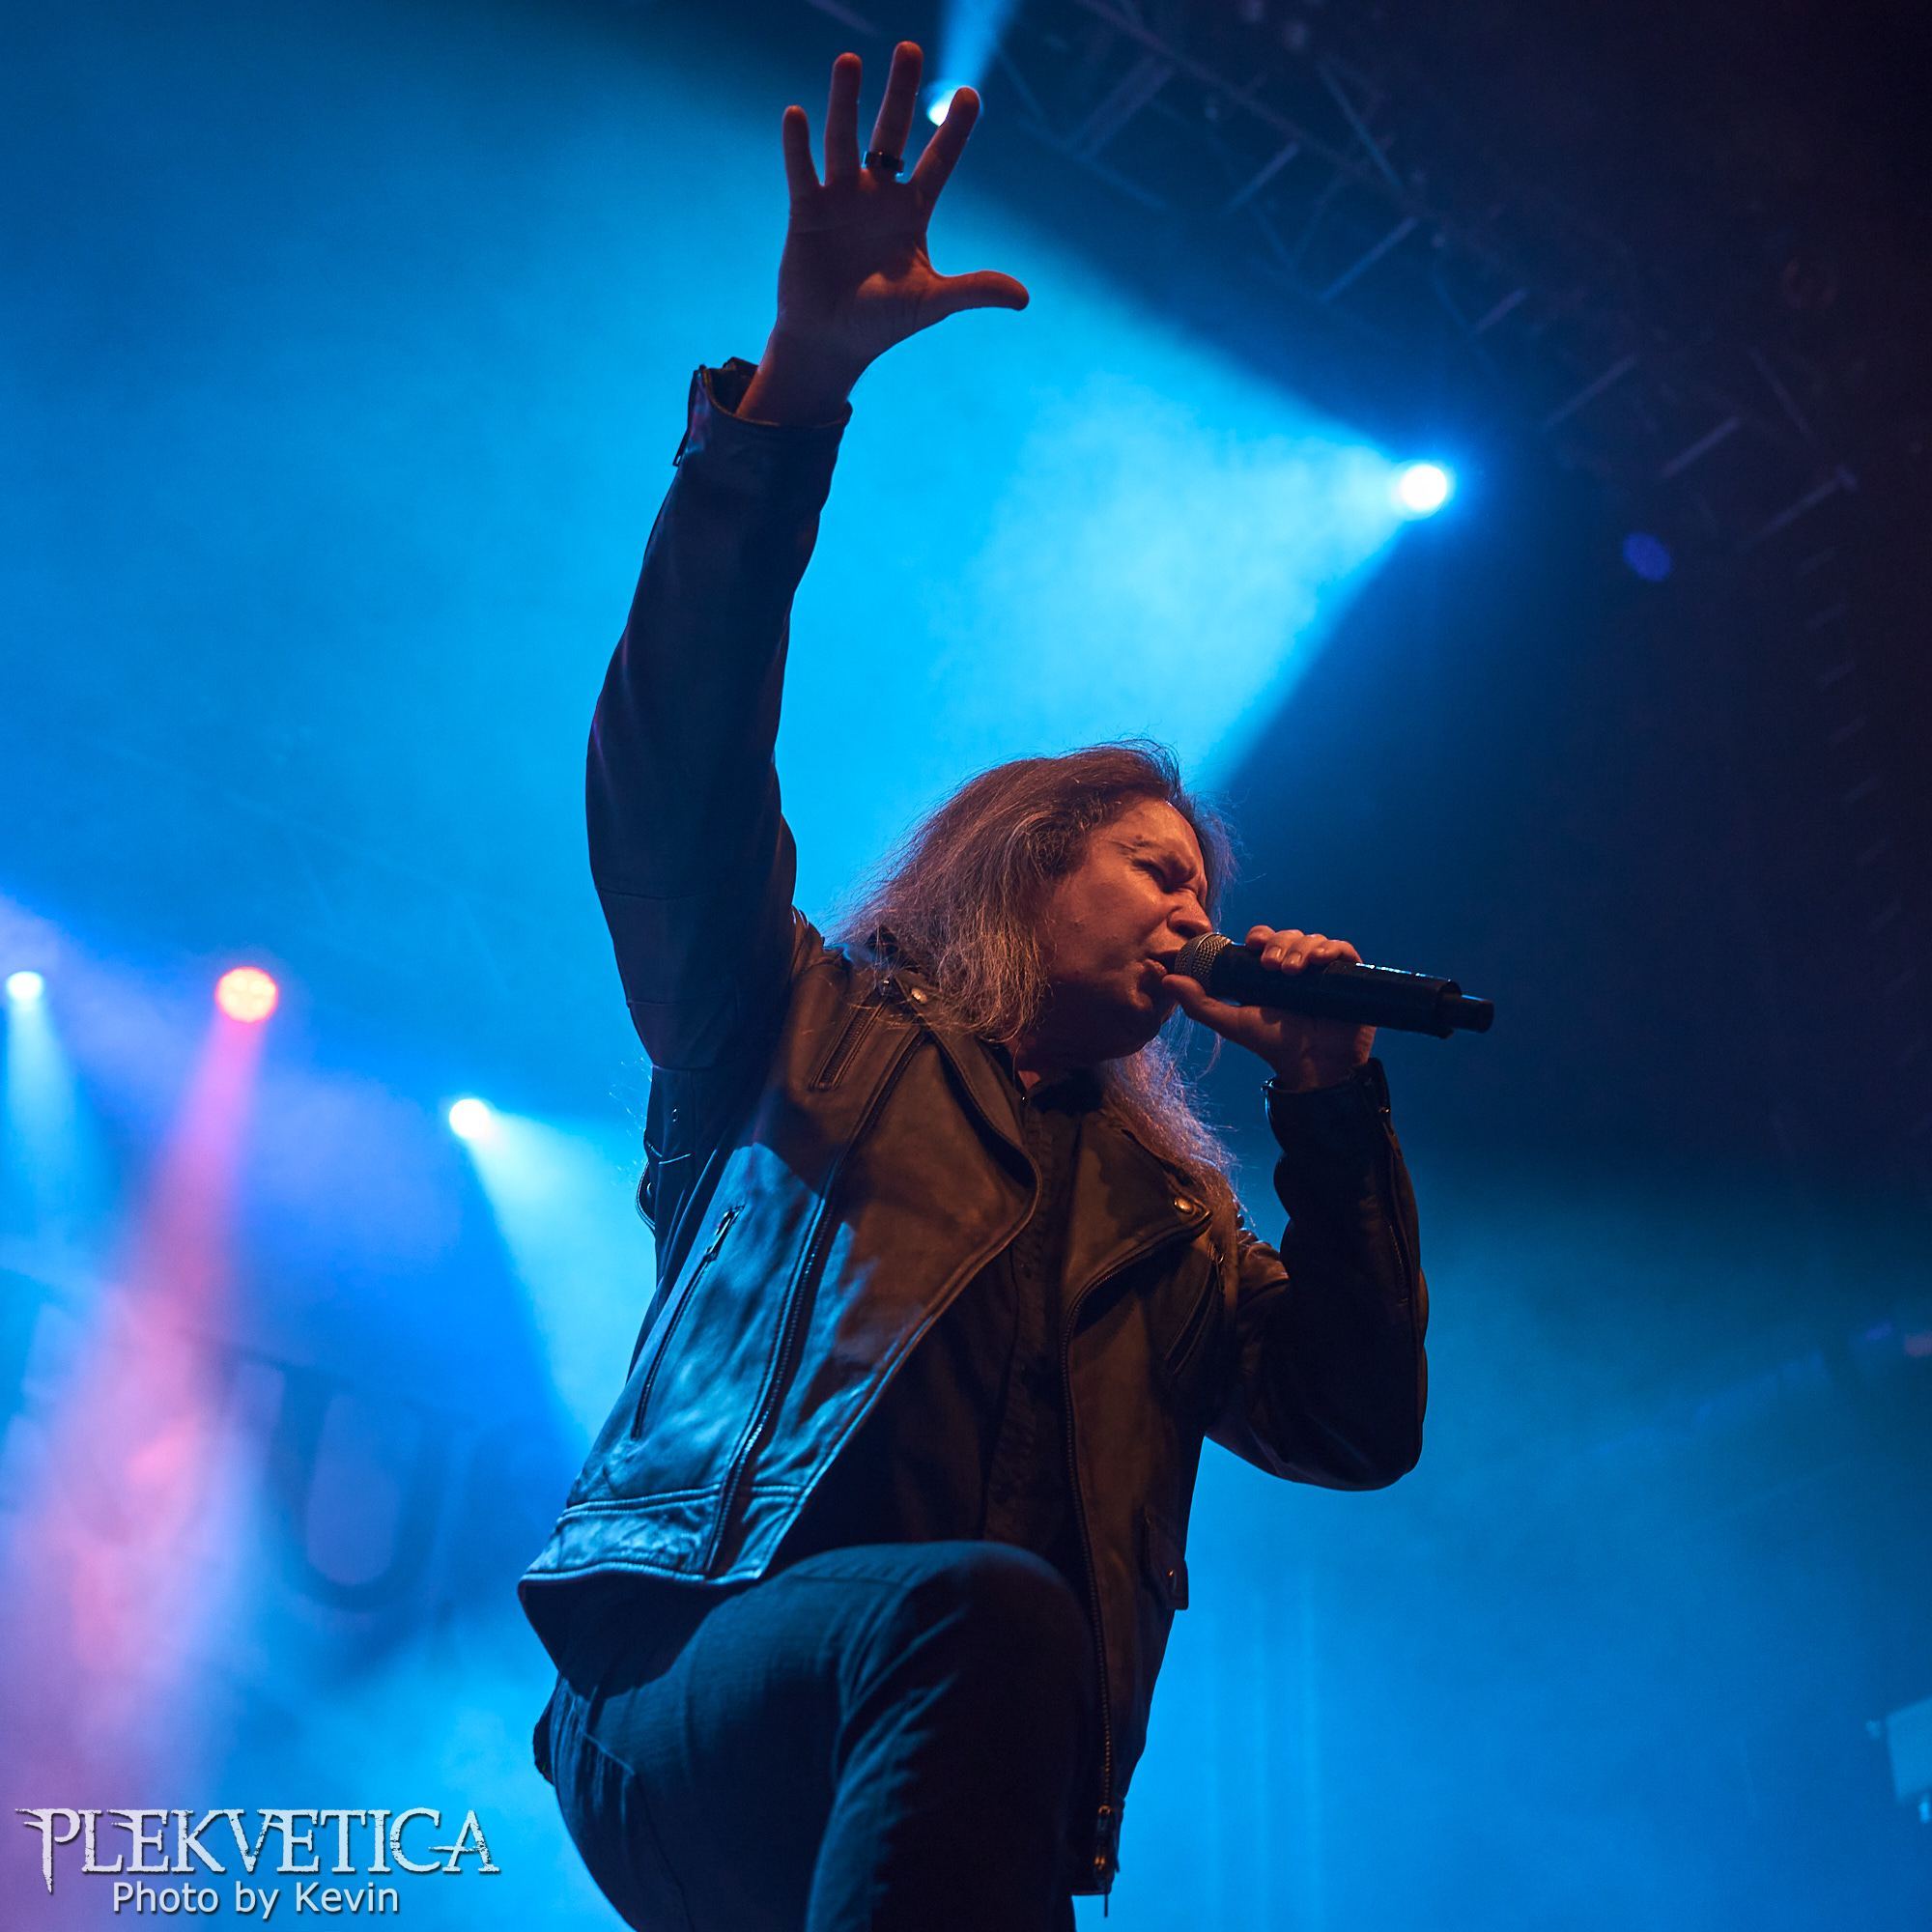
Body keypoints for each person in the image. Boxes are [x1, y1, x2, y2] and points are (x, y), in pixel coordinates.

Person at [518, 40, 1428, 1932]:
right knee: (981, 1613)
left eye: (1207, 889)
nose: (1194, 910)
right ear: (1028, 865)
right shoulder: (805, 1032)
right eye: (1157, 868)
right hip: (690, 1682)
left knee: (986, 1645)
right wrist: (791, 400)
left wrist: (1332, 1100)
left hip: (956, 1764)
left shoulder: (1170, 1226)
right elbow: (673, 788)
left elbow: (1354, 1427)